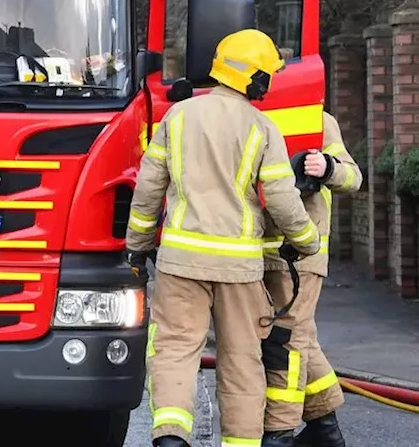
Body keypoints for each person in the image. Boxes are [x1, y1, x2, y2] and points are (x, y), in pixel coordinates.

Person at [124, 28, 322, 447]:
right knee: (241, 363)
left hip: (180, 265)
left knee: (175, 351)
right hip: (239, 271)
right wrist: (307, 242)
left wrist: (138, 248)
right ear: (254, 78)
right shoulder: (262, 128)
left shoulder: (176, 117)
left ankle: (172, 437)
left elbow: (147, 190)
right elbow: (284, 201)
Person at [260, 112, 361, 447]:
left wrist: (327, 167)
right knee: (302, 339)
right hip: (260, 255)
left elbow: (352, 177)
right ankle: (325, 430)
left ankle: (280, 433)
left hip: (301, 257)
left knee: (284, 343)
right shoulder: (245, 113)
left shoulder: (317, 119)